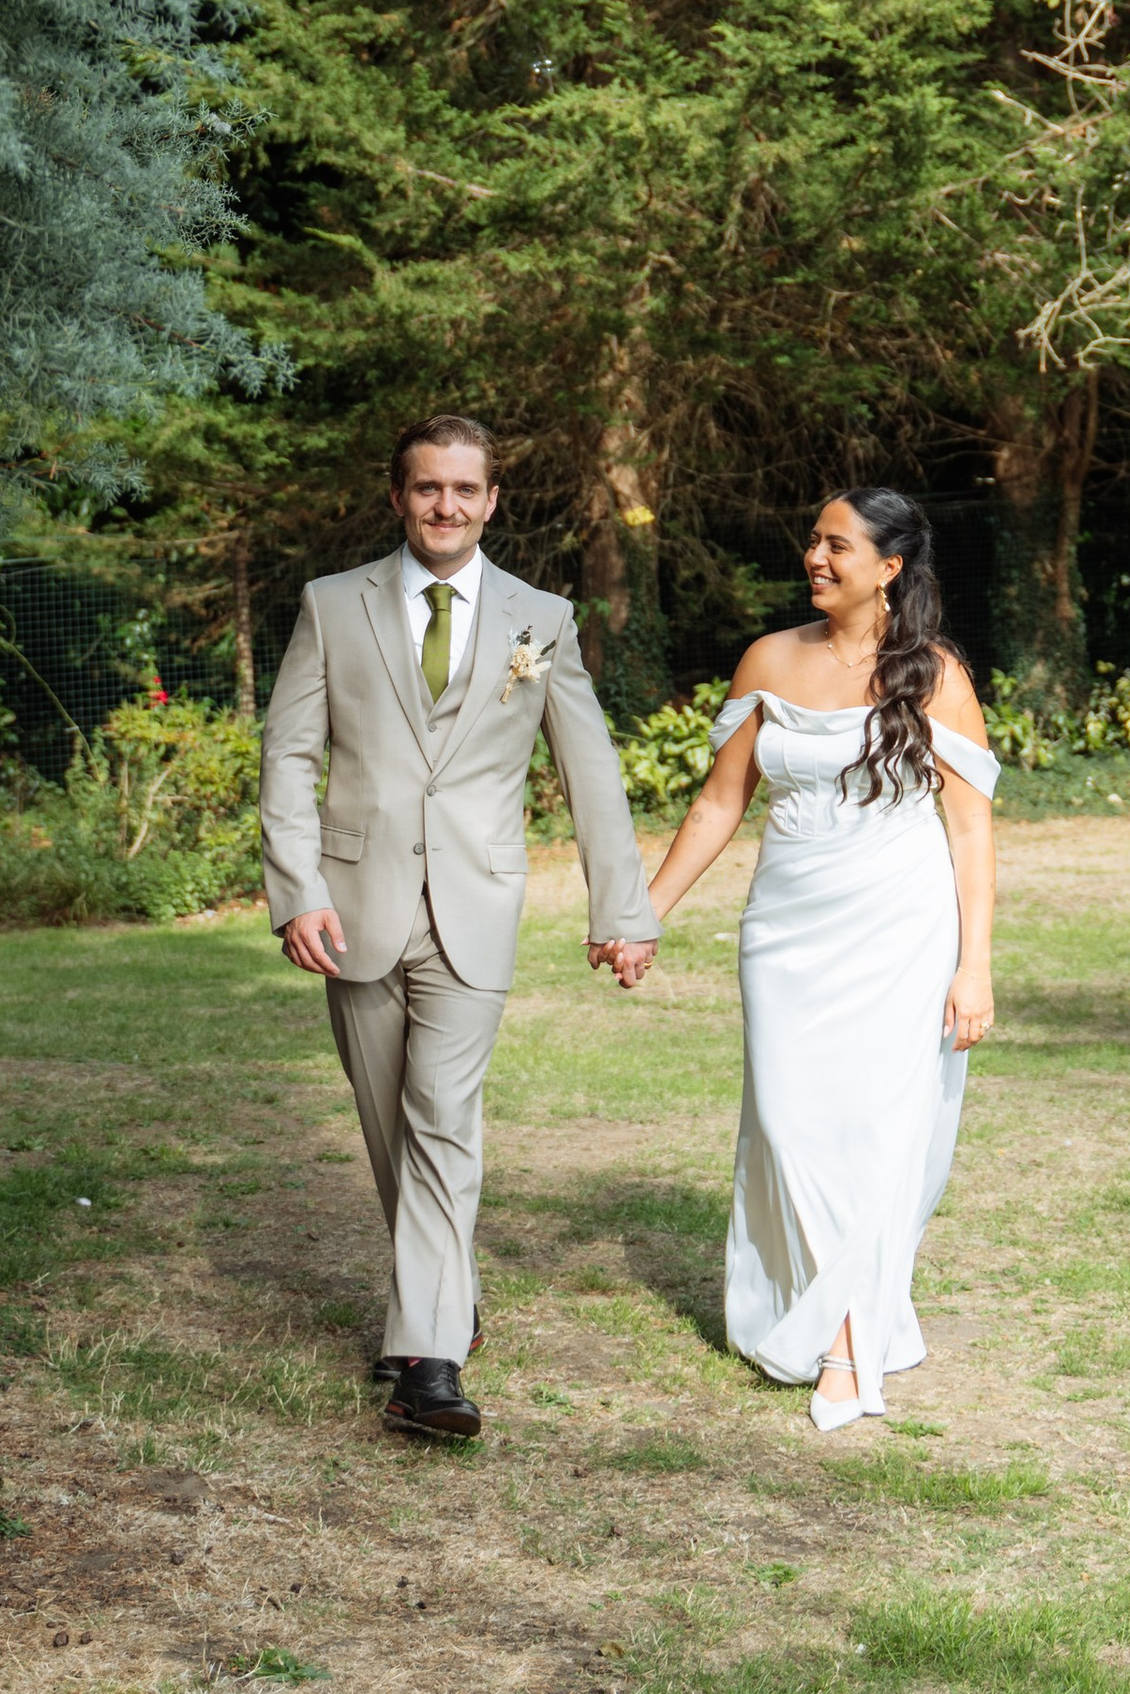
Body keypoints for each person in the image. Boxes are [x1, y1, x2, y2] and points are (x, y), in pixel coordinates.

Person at [258, 413, 658, 1443]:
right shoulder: (331, 605)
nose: (446, 505)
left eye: (464, 489)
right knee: (388, 1129)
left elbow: (590, 767)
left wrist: (621, 909)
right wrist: (298, 889)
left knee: (441, 1119)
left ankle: (427, 1366)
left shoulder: (541, 619)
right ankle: (448, 1298)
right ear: (399, 497)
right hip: (353, 909)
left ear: (491, 502)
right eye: (428, 488)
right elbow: (289, 756)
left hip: (476, 906)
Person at [619, 486, 998, 1429]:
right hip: (786, 932)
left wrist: (974, 966)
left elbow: (970, 830)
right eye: (813, 542)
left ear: (889, 566)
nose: (815, 559)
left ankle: (848, 1338)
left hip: (901, 928)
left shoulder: (937, 674)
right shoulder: (769, 659)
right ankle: (830, 1307)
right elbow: (720, 803)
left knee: (881, 1130)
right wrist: (644, 913)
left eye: (838, 545)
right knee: (788, 1129)